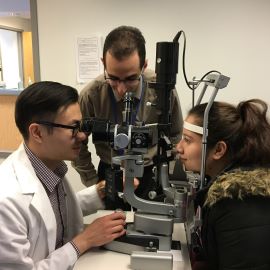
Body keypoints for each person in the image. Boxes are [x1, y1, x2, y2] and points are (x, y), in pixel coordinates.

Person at [0, 81, 126, 270]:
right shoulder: (6, 201)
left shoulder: (50, 166)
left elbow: (51, 214)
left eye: (82, 126)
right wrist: (83, 241)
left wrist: (99, 192)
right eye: (74, 127)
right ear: (37, 133)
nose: (83, 136)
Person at [72, 25, 183, 209]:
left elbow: (175, 135)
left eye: (131, 78)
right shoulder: (91, 95)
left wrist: (167, 178)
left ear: (144, 65)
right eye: (113, 78)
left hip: (150, 172)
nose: (122, 89)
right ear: (103, 62)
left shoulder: (162, 88)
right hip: (109, 171)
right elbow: (77, 145)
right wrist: (94, 184)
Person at [176, 99, 270, 270]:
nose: (179, 147)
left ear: (218, 150)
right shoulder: (230, 190)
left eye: (187, 140)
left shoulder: (237, 203)